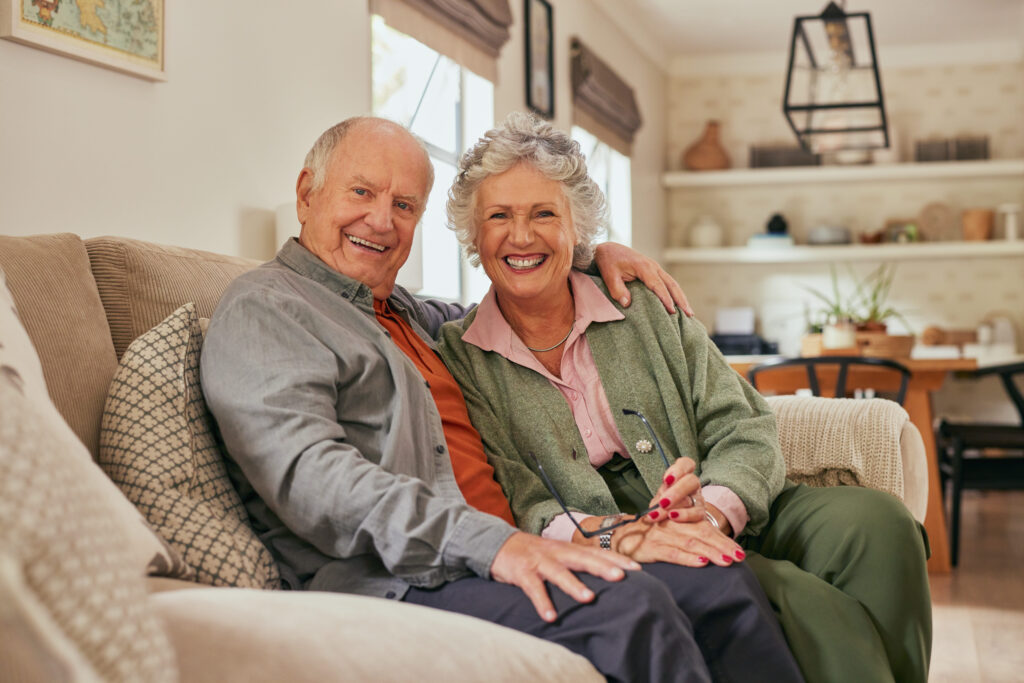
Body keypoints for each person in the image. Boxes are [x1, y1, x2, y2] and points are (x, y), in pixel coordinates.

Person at [201, 115, 784, 682]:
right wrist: (497, 545)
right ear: (307, 193)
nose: (381, 221)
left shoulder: (403, 313)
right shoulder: (268, 308)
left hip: (507, 547)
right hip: (410, 575)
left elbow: (518, 299)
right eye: (362, 192)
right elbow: (313, 478)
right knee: (632, 609)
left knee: (713, 579)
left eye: (404, 206)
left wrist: (591, 256)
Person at [436, 112, 932, 683]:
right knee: (790, 595)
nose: (521, 236)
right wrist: (619, 532)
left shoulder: (640, 302)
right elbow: (517, 493)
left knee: (880, 524)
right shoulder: (460, 355)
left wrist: (717, 510)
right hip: (608, 525)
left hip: (716, 488)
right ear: (474, 235)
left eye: (544, 213)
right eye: (499, 216)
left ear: (577, 230)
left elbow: (743, 424)